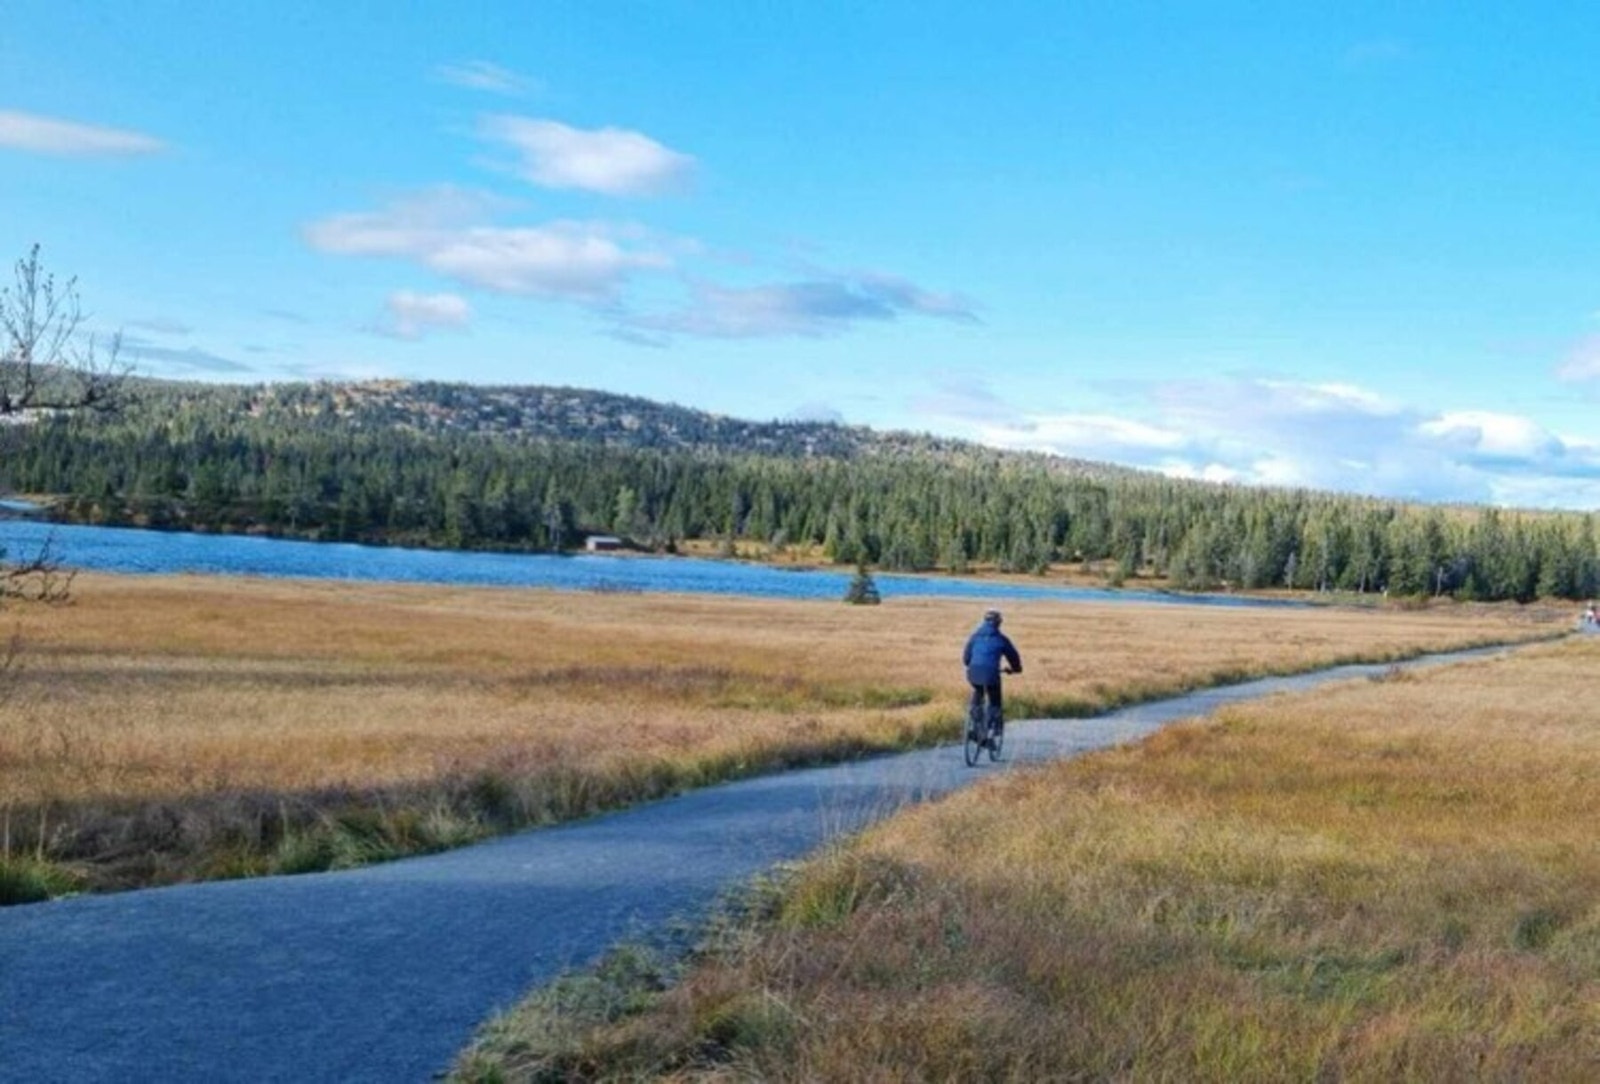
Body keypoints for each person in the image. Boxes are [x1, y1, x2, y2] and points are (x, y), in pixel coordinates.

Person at [963, 608, 1022, 745]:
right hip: (991, 674)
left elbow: (966, 658)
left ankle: (973, 725)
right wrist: (1015, 669)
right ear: (999, 623)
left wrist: (971, 663)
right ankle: (990, 733)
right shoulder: (1001, 639)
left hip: (973, 672)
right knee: (995, 702)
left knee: (978, 692)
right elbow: (1013, 657)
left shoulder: (974, 636)